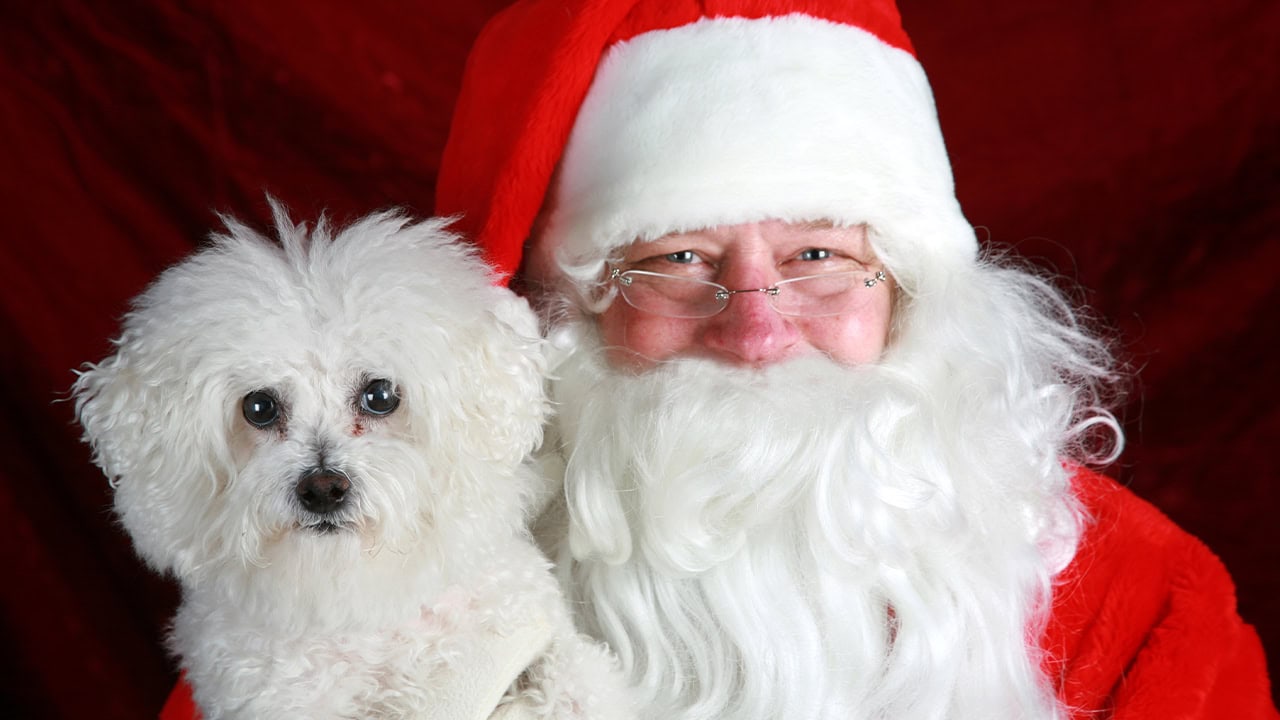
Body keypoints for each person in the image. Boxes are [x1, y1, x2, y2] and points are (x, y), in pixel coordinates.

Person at [156, 1, 1275, 718]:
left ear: (913, 293)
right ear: (568, 307)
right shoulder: (369, 575)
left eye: (820, 256)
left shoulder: (1145, 606)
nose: (755, 329)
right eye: (677, 258)